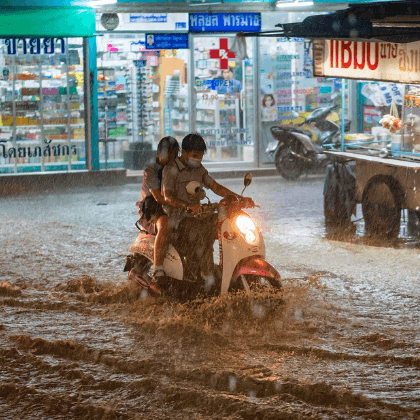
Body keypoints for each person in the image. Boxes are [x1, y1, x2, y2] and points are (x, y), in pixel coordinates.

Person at [162, 133, 253, 290]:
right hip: (178, 219)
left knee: (227, 226)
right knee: (201, 232)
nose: (198, 159)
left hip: (198, 215)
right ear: (184, 152)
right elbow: (167, 197)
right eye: (195, 155)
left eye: (201, 156)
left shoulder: (199, 169)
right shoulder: (171, 169)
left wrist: (239, 198)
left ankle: (226, 268)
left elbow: (215, 186)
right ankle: (206, 274)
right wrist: (186, 206)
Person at [130, 136, 179, 289]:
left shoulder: (177, 169)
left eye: (174, 155)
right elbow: (158, 197)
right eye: (168, 154)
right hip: (152, 209)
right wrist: (182, 204)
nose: (171, 158)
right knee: (164, 224)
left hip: (171, 207)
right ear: (159, 152)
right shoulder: (151, 170)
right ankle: (158, 271)